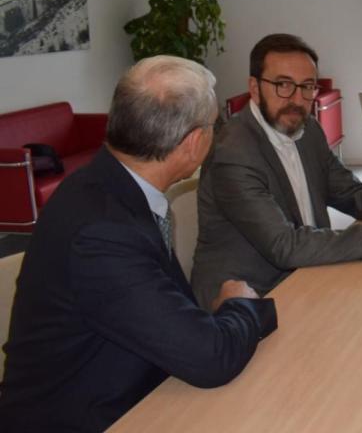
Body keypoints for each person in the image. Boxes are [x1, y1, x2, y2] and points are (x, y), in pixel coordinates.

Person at [0, 57, 277, 432]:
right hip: (88, 416)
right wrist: (240, 304)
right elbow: (210, 357)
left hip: (136, 387)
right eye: (214, 126)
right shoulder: (102, 232)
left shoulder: (106, 186)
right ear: (195, 143)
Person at [191, 33, 362, 310]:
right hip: (248, 297)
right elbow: (284, 245)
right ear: (254, 88)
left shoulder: (307, 129)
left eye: (307, 87)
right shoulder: (233, 153)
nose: (297, 100)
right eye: (283, 85)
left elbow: (349, 191)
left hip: (310, 275)